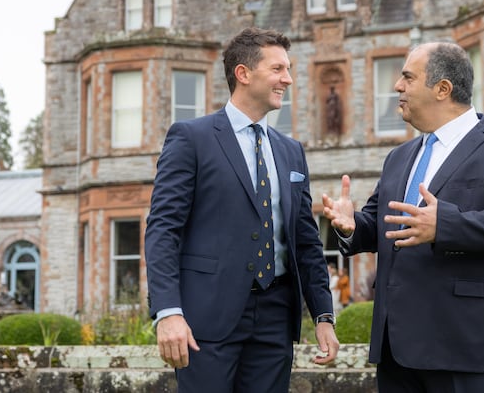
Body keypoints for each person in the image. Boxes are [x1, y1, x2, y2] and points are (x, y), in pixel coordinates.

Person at [322, 42, 484, 392]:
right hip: (398, 352)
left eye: (408, 77)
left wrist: (446, 225)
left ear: (443, 89)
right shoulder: (399, 156)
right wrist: (353, 226)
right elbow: (384, 224)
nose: (398, 86)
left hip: (470, 348)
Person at [145, 27, 339, 393]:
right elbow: (163, 230)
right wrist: (168, 312)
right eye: (278, 69)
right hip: (206, 320)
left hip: (276, 319)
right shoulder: (191, 138)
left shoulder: (291, 150)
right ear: (243, 73)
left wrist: (323, 316)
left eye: (289, 69)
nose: (289, 79)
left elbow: (306, 242)